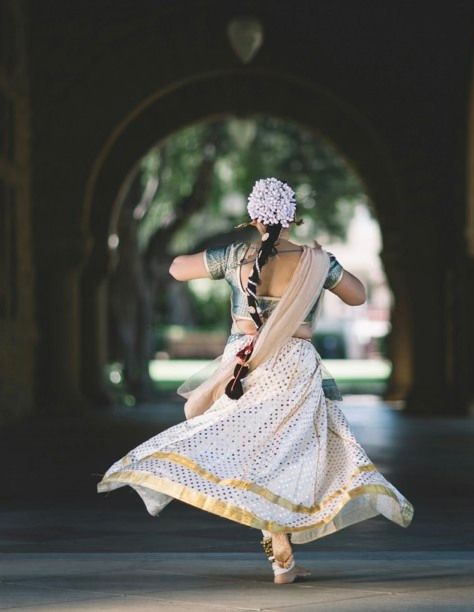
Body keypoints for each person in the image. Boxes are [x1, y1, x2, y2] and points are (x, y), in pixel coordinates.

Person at [96, 177, 413, 584]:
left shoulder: (236, 257)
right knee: (287, 456)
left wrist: (221, 255)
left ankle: (281, 556)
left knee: (248, 451)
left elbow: (176, 269)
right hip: (294, 368)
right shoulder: (315, 262)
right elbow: (359, 296)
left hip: (243, 367)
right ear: (294, 218)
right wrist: (325, 267)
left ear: (252, 217)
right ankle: (283, 556)